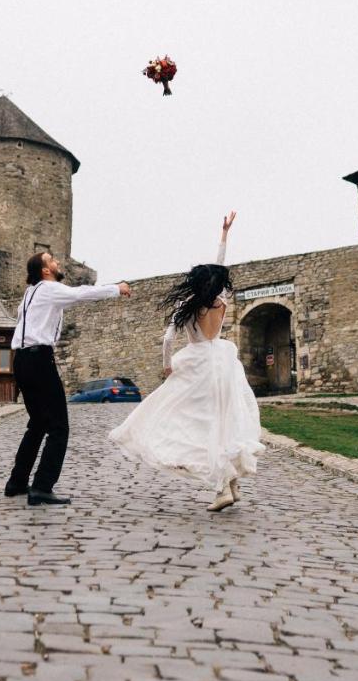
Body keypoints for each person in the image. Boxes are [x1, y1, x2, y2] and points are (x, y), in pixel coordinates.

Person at [108, 212, 263, 511]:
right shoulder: (222, 301)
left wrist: (167, 366)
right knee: (225, 420)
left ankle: (222, 489)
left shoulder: (187, 306)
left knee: (197, 425)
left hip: (198, 363)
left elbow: (168, 340)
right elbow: (220, 267)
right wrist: (224, 235)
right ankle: (232, 483)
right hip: (223, 361)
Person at [6, 251, 132, 505]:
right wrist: (116, 289)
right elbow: (81, 294)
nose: (57, 263)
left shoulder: (28, 295)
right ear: (45, 270)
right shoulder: (48, 289)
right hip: (39, 358)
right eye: (52, 260)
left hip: (20, 360)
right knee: (58, 426)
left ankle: (17, 482)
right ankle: (42, 486)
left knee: (38, 423)